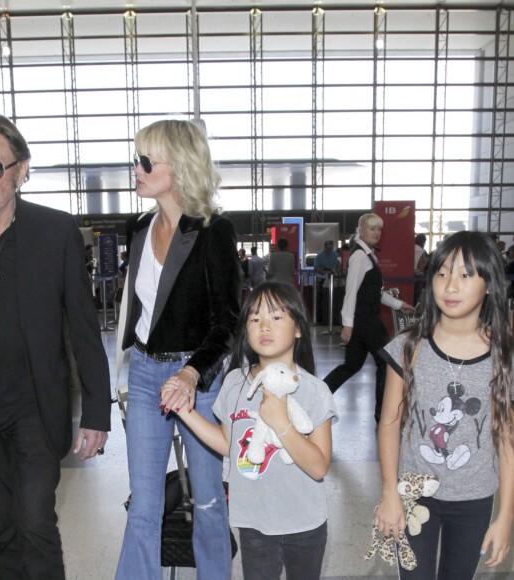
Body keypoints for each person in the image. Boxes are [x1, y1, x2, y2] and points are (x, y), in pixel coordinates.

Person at [0, 111, 111, 579]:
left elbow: (84, 327)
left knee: (35, 522)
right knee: (1, 529)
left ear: (21, 169)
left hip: (36, 404)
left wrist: (97, 412)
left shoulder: (55, 232)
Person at [115, 119, 242, 580]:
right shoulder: (139, 228)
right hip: (147, 376)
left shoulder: (213, 232)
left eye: (147, 160)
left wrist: (191, 374)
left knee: (208, 499)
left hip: (198, 383)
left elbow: (229, 320)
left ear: (180, 165)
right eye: (137, 158)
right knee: (143, 504)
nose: (138, 168)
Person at [166, 281, 336, 580]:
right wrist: (183, 410)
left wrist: (281, 423)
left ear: (298, 328)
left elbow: (319, 466)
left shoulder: (314, 391)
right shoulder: (234, 383)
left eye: (276, 317)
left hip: (305, 524)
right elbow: (227, 443)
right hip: (254, 523)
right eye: (255, 319)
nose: (264, 326)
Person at [375, 231, 514, 580]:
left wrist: (505, 518)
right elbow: (389, 423)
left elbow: (507, 438)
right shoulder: (409, 347)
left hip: (474, 500)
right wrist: (390, 492)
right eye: (442, 273)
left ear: (490, 283)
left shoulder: (503, 356)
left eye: (466, 275)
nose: (451, 286)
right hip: (414, 493)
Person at [323, 213, 415, 423]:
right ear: (361, 230)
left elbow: (374, 293)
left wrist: (400, 305)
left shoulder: (368, 255)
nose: (376, 232)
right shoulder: (359, 257)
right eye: (372, 228)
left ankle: (316, 398)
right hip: (365, 322)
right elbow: (351, 291)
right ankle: (383, 414)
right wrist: (347, 325)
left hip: (364, 321)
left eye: (379, 229)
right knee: (387, 362)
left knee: (352, 365)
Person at [314, 240, 340, 325]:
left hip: (333, 279)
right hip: (322, 278)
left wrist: (334, 271)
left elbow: (338, 266)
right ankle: (321, 319)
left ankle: (333, 319)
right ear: (325, 247)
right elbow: (316, 268)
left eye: (331, 246)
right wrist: (324, 272)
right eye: (328, 246)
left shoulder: (335, 255)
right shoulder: (320, 255)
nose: (330, 248)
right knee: (320, 299)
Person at [414, 233, 429, 307]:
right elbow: (421, 267)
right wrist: (427, 261)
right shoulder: (421, 251)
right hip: (418, 275)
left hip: (411, 274)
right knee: (416, 295)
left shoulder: (412, 248)